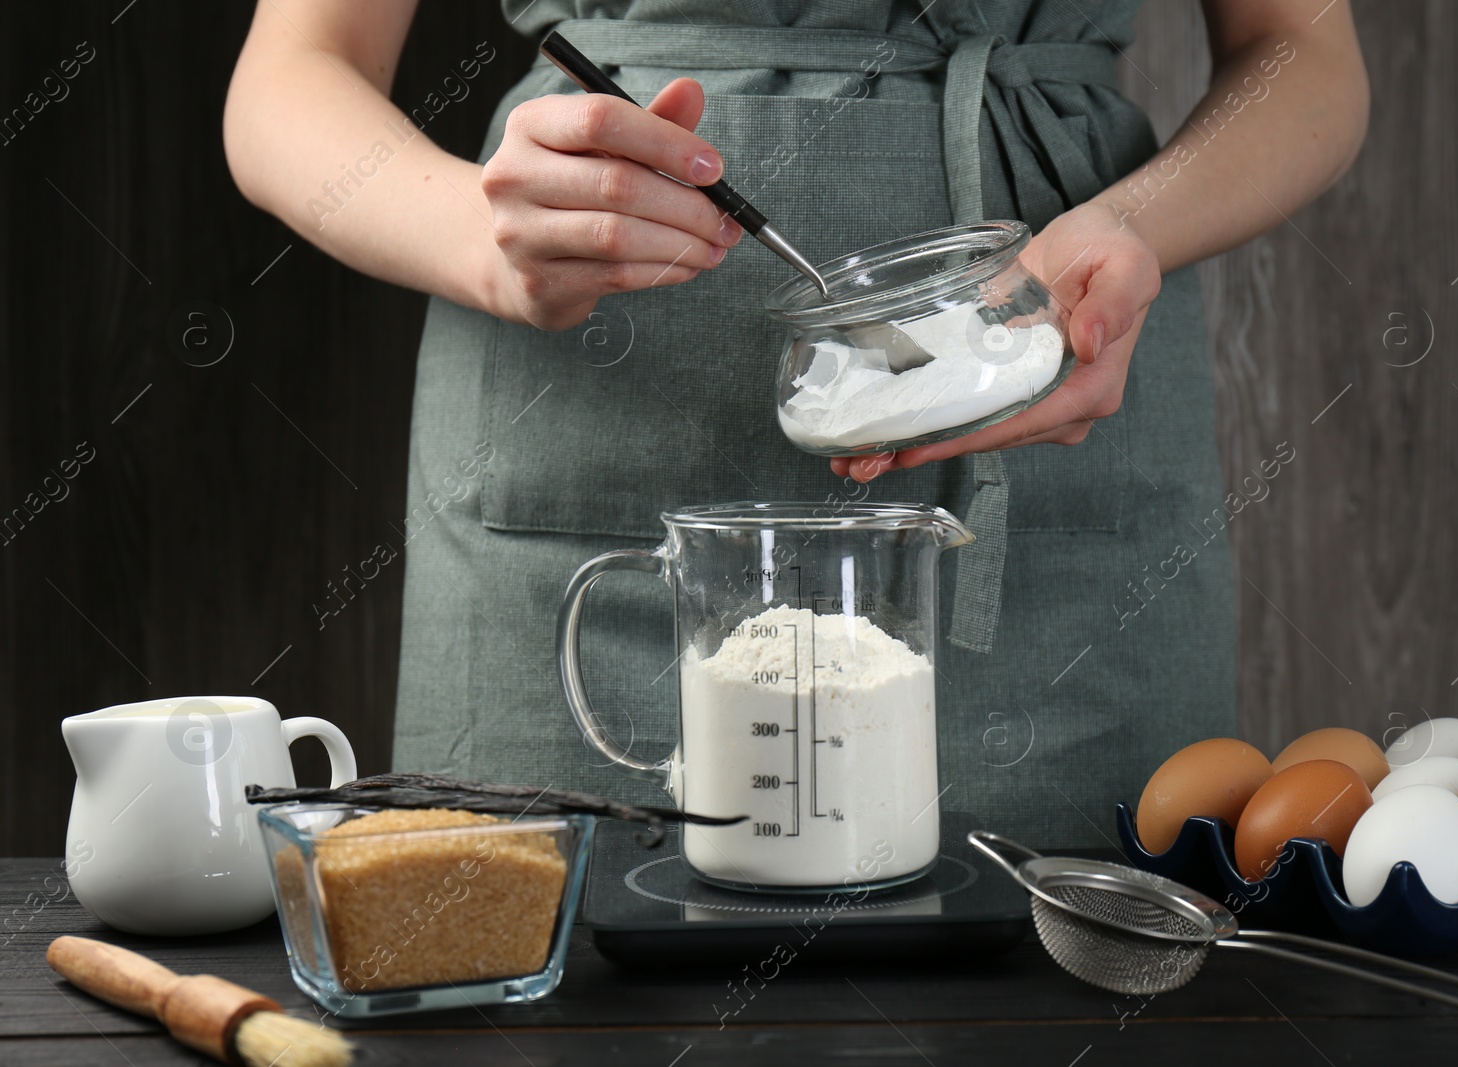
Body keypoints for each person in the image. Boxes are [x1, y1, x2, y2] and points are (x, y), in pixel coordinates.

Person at [225, 0, 1367, 844]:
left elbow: (1303, 55)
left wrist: (1133, 225)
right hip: (584, 437)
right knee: (541, 984)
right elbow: (292, 75)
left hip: (1051, 422)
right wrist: (479, 236)